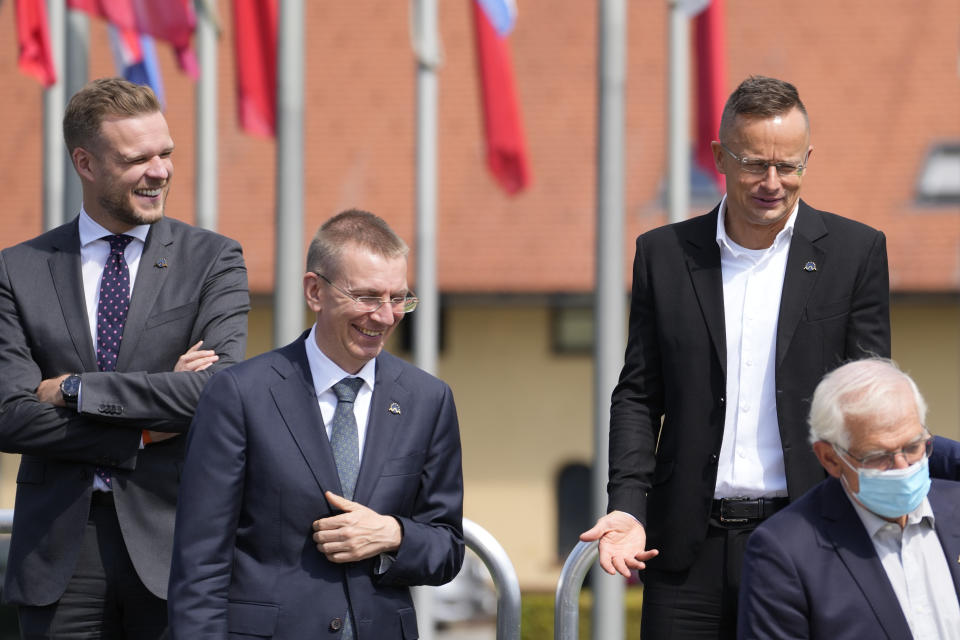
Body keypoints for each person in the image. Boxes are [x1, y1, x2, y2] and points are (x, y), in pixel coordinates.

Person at [579, 75, 891, 639]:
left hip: (808, 539)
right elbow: (638, 396)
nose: (773, 182)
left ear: (807, 160)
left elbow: (871, 402)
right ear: (721, 157)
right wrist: (627, 504)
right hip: (683, 552)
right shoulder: (663, 255)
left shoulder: (856, 253)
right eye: (754, 164)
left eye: (788, 166)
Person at [0, 77, 250, 639]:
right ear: (85, 163)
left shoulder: (213, 260)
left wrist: (74, 389)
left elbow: (219, 391)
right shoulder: (17, 270)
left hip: (178, 546)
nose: (159, 171)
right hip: (58, 554)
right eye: (138, 159)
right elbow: (8, 414)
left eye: (166, 153)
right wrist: (139, 434)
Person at [167, 209, 464, 639]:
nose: (385, 317)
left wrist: (392, 533)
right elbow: (200, 563)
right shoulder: (239, 394)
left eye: (398, 298)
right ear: (315, 291)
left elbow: (447, 547)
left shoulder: (427, 399)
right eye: (366, 297)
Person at [738, 358, 960, 639]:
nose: (903, 467)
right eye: (879, 457)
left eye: (913, 447)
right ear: (830, 458)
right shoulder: (784, 553)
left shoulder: (955, 511)